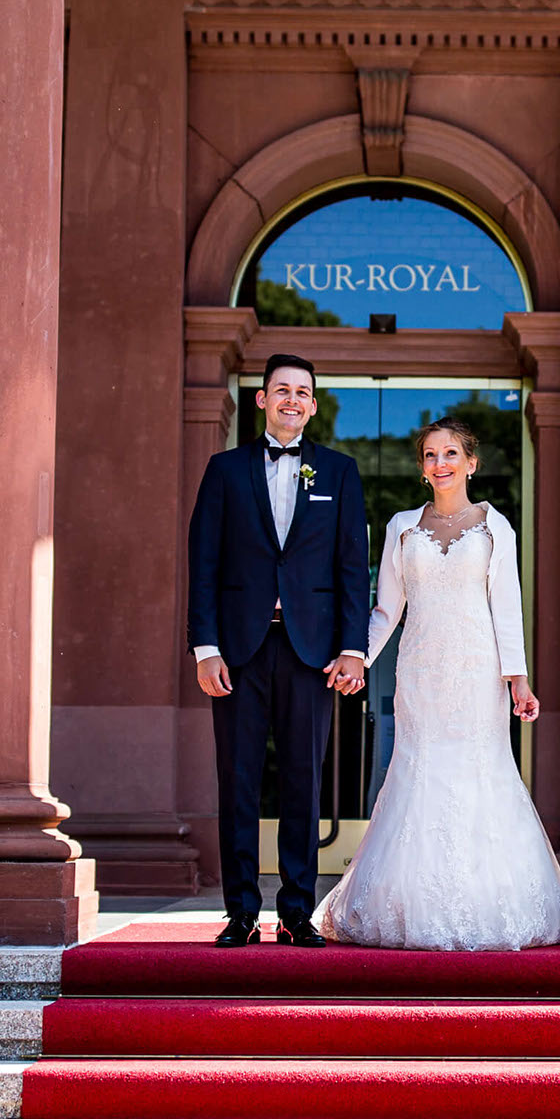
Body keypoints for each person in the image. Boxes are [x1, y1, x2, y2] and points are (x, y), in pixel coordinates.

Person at [317, 417, 560, 950]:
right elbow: (386, 607)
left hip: (476, 671)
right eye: (431, 455)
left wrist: (518, 680)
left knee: (476, 771)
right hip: (419, 669)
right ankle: (406, 903)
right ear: (422, 468)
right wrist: (359, 658)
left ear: (471, 463)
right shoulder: (400, 527)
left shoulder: (494, 527)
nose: (441, 464)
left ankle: (487, 900)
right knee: (418, 770)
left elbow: (506, 606)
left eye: (451, 454)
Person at [185, 354, 371, 947]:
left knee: (302, 780)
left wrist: (352, 648)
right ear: (261, 399)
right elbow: (204, 565)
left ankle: (295, 912)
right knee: (237, 778)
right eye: (281, 390)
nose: (292, 400)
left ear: (314, 405)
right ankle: (240, 912)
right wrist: (205, 648)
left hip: (311, 650)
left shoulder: (339, 473)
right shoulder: (224, 471)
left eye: (303, 392)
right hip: (238, 649)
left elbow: (351, 567)